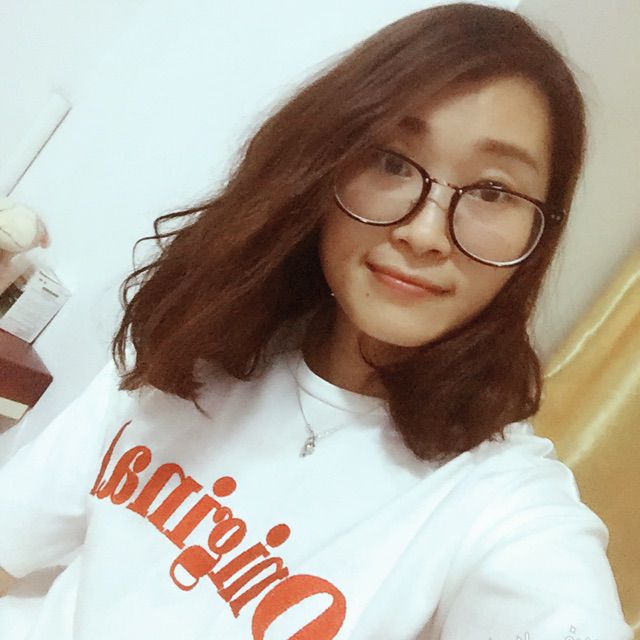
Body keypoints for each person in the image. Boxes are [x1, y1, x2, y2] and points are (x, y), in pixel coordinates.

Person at [0, 3, 633, 639]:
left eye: (494, 192)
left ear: (538, 234)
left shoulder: (499, 503)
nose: (424, 232)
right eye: (392, 161)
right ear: (327, 162)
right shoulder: (201, 340)